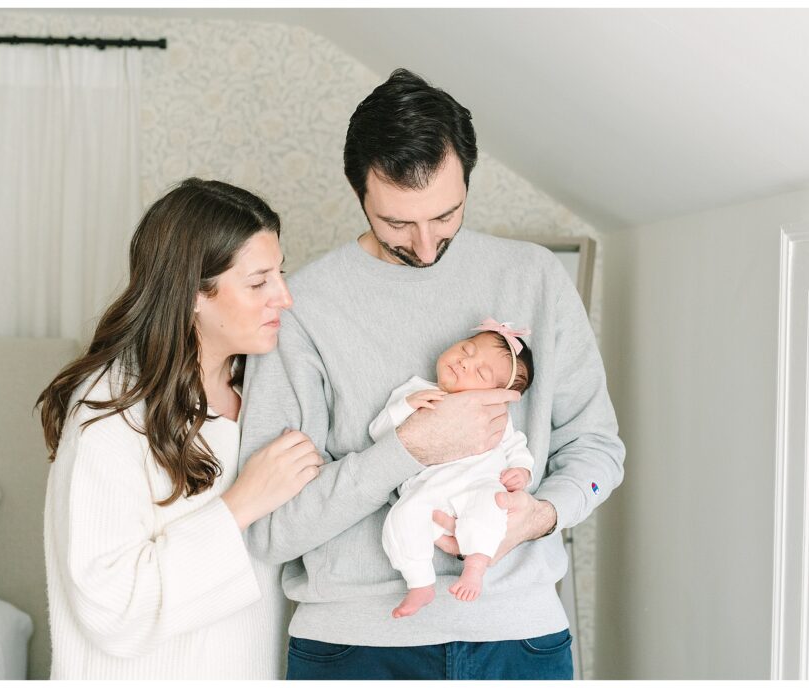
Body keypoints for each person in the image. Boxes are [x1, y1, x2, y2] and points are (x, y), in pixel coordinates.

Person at [237, 68, 626, 681]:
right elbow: (268, 532)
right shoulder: (300, 307)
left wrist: (542, 515)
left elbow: (600, 450)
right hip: (353, 649)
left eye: (446, 215)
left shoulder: (536, 279)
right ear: (358, 193)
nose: (424, 247)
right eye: (397, 224)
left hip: (519, 639)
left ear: (468, 179)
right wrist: (410, 448)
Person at [38, 178, 323, 679]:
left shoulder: (268, 391)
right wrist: (243, 502)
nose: (285, 297)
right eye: (258, 283)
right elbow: (113, 609)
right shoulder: (110, 412)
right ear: (193, 294)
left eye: (281, 273)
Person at [373, 319, 536, 619]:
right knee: (403, 516)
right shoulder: (415, 391)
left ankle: (475, 566)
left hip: (480, 483)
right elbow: (378, 432)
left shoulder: (495, 412)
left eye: (480, 372)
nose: (464, 362)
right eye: (466, 349)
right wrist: (408, 406)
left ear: (497, 394)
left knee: (492, 506)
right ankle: (420, 582)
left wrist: (522, 471)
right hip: (429, 489)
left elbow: (516, 446)